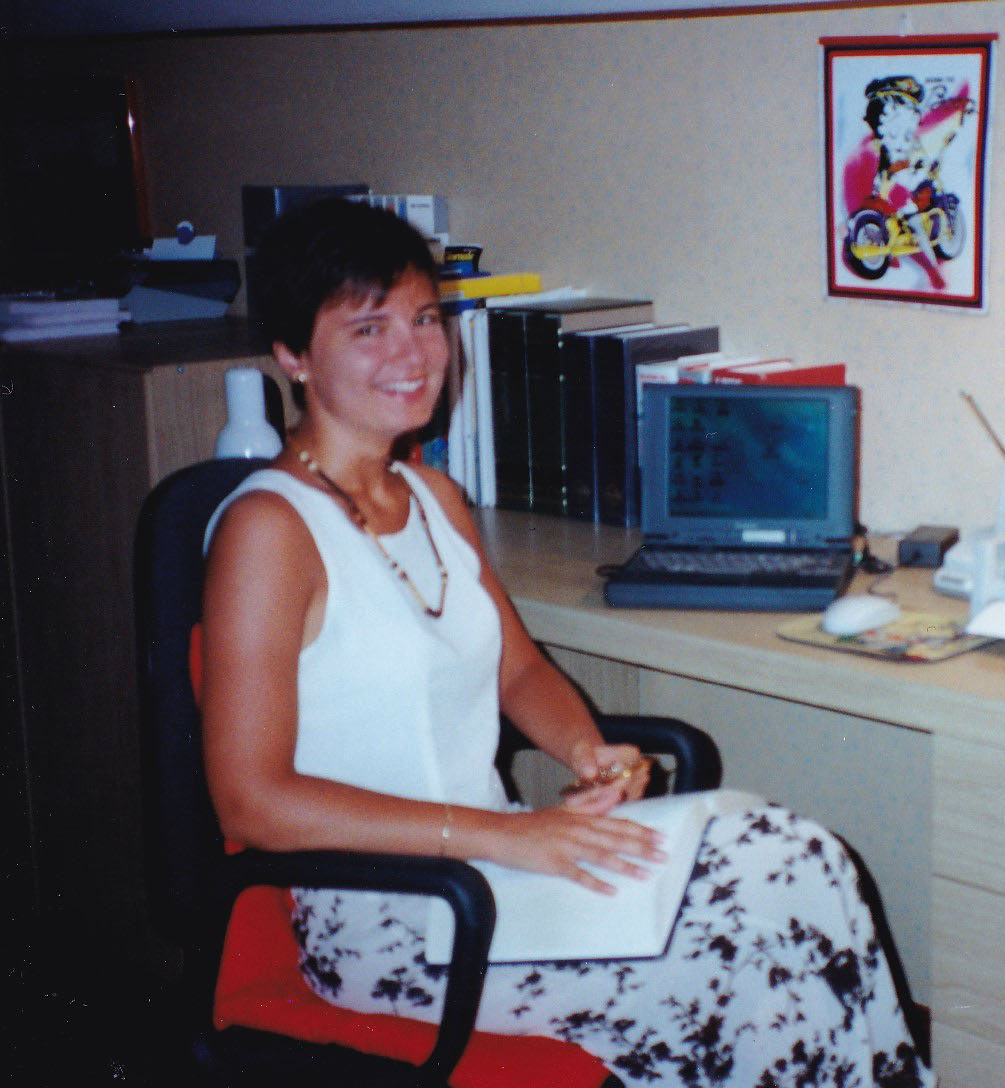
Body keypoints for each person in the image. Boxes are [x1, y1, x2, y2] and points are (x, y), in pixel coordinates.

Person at [199, 197, 936, 1088]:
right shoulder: (269, 531)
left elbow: (518, 670)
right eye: (368, 328)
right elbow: (251, 801)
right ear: (291, 357)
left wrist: (590, 752)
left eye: (426, 318)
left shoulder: (435, 500)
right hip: (393, 919)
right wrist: (505, 841)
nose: (413, 352)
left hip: (493, 861)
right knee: (746, 947)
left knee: (801, 860)